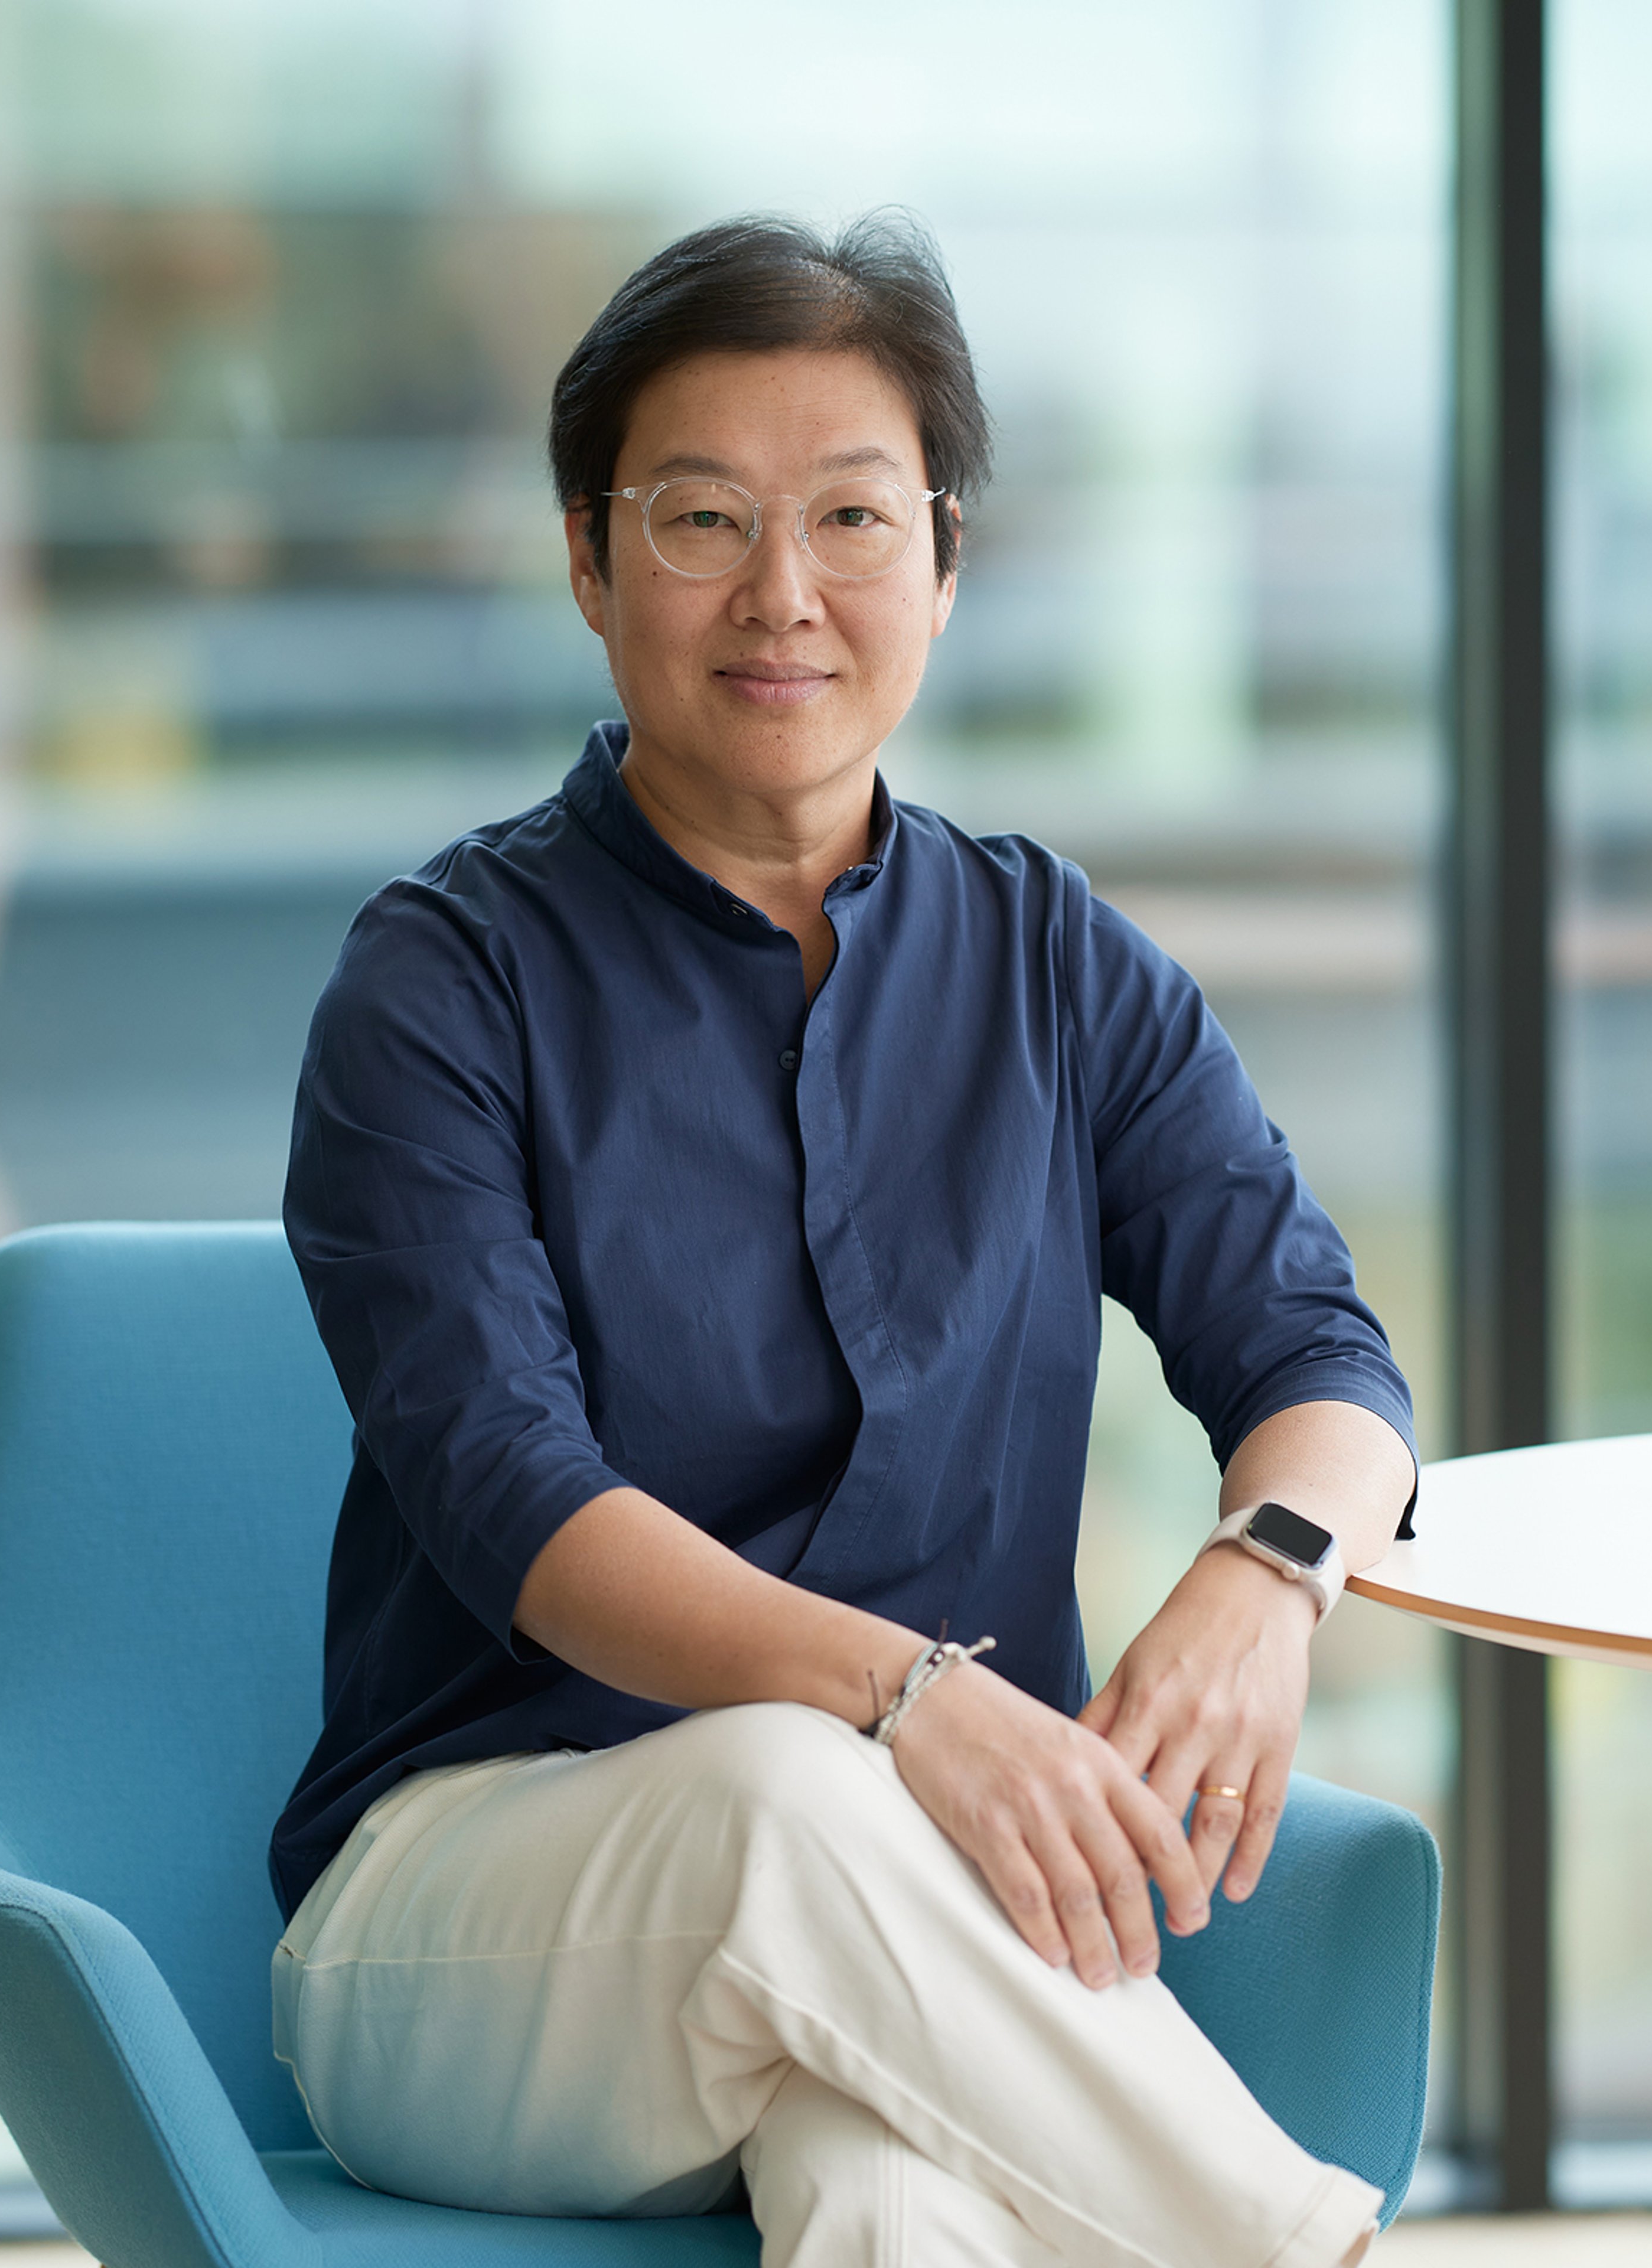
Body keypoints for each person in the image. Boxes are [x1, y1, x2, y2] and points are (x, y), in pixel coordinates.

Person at [269, 212, 1418, 2268]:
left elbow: (1323, 1363)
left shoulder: (1059, 967)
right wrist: (909, 1702)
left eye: (853, 518)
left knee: (903, 2214)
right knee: (789, 1805)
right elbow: (521, 1505)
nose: (782, 594)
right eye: (702, 518)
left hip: (912, 1948)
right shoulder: (442, 988)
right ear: (588, 561)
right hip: (477, 1933)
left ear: (947, 562)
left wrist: (1272, 1575)